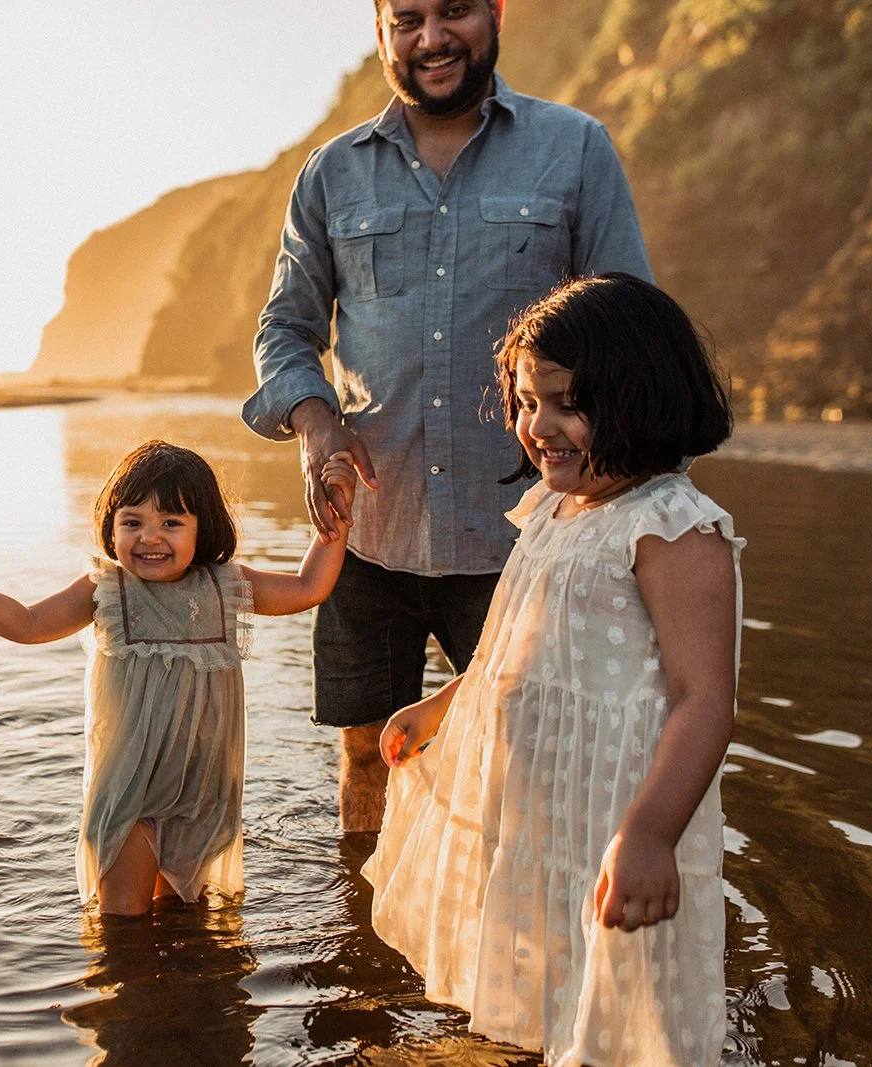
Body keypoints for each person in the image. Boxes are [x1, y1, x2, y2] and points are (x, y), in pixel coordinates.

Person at [241, 0, 654, 832]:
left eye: (455, 11)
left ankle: (510, 950)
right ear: (382, 30)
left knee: (534, 765)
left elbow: (628, 324)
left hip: (525, 539)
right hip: (366, 536)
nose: (432, 38)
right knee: (367, 756)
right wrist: (319, 427)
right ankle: (370, 950)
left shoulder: (573, 149)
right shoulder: (331, 173)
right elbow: (285, 330)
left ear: (495, 12)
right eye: (408, 19)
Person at [362, 274, 740, 1064]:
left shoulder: (670, 526)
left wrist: (649, 834)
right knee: (539, 968)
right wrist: (442, 705)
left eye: (565, 402)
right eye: (527, 401)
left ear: (641, 396)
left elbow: (704, 700)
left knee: (621, 995)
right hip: (544, 804)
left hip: (617, 808)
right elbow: (513, 643)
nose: (539, 427)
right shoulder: (552, 506)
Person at [0, 441, 356, 916]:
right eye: (133, 522)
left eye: (171, 523)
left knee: (186, 922)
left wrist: (335, 516)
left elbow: (308, 588)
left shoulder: (225, 585)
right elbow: (26, 624)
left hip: (201, 795)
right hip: (130, 793)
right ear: (111, 529)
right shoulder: (106, 589)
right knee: (123, 925)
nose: (150, 537)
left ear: (203, 527)